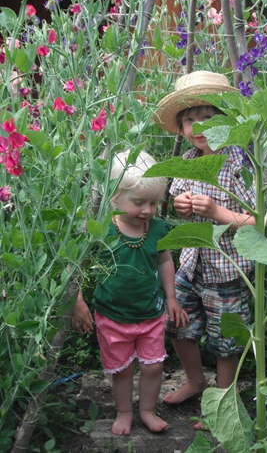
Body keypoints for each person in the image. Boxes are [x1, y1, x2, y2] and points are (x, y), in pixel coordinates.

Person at [154, 71, 256, 425]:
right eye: (189, 120)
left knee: (226, 337)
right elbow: (176, 197)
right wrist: (182, 202)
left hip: (227, 269)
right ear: (181, 128)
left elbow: (255, 220)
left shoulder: (239, 163)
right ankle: (196, 380)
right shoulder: (186, 162)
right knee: (179, 324)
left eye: (207, 118)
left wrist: (217, 213)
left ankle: (222, 400)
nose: (197, 127)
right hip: (191, 264)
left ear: (226, 120)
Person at [72, 150, 189, 436]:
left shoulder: (157, 229)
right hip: (113, 315)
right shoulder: (102, 231)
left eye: (153, 202)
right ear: (114, 197)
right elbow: (76, 264)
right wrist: (77, 300)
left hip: (150, 314)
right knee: (122, 371)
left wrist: (171, 298)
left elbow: (164, 261)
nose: (148, 210)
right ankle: (124, 411)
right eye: (139, 203)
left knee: (153, 367)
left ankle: (147, 410)